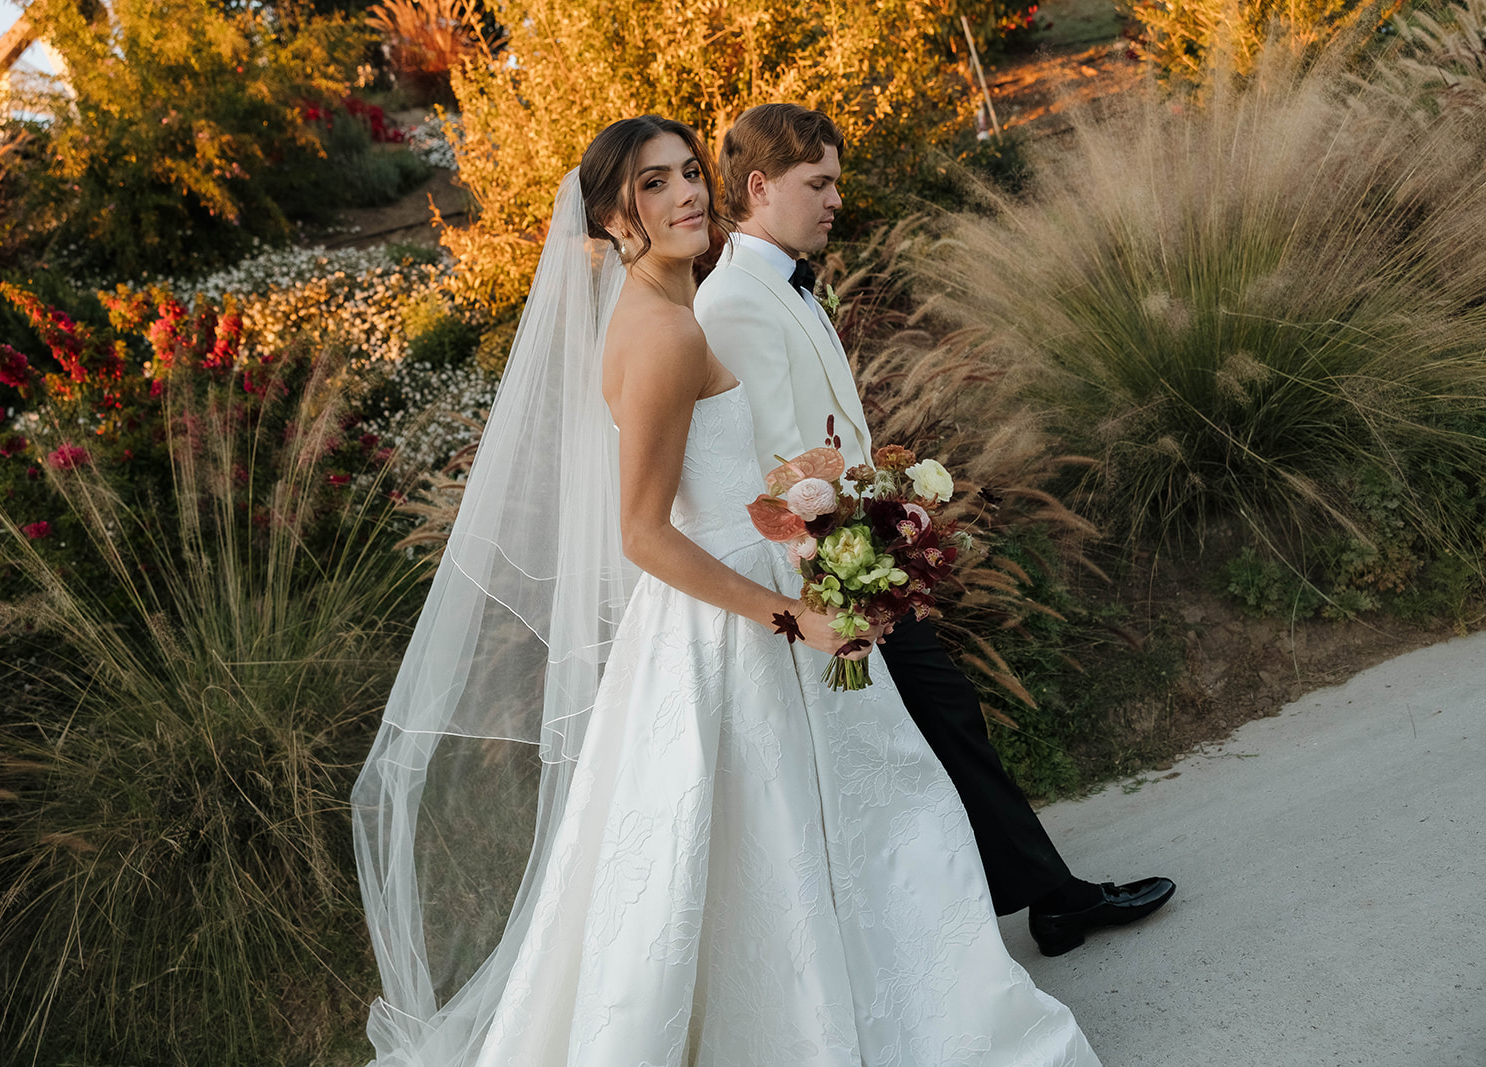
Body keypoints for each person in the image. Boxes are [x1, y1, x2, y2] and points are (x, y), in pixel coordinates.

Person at [352, 115, 1101, 1066]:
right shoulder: (665, 332)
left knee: (799, 837)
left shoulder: (662, 310)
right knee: (833, 827)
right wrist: (793, 616)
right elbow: (642, 532)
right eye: (654, 184)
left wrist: (820, 518)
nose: (686, 194)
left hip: (741, 590)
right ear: (613, 218)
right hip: (735, 620)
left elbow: (712, 489)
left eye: (689, 172)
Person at [694, 102, 1176, 957]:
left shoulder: (784, 279)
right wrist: (856, 560)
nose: (836, 199)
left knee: (939, 721)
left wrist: (892, 518)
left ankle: (1040, 901)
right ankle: (978, 923)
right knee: (912, 735)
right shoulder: (733, 298)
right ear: (759, 187)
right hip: (825, 571)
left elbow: (830, 431)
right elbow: (778, 460)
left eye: (836, 182)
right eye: (819, 183)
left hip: (860, 551)